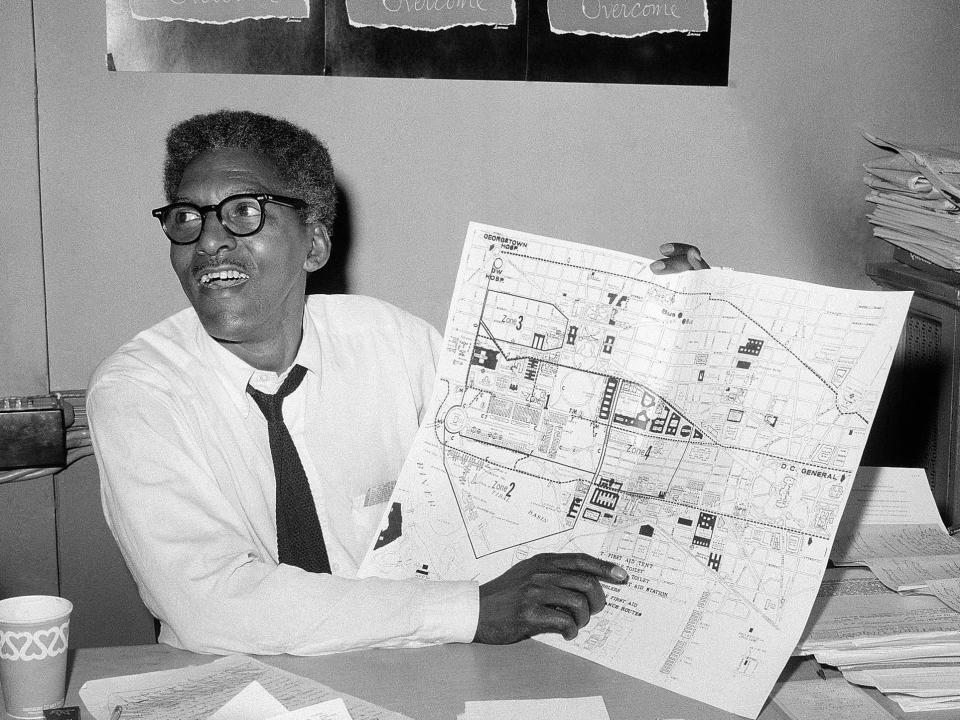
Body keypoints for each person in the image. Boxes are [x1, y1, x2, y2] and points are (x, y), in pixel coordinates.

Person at [87, 109, 709, 656]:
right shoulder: (140, 390)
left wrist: (682, 333)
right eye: (186, 219)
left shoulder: (393, 343)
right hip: (231, 683)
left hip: (409, 670)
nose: (209, 240)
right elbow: (212, 605)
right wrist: (470, 610)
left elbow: (546, 454)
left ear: (314, 245)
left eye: (244, 212)